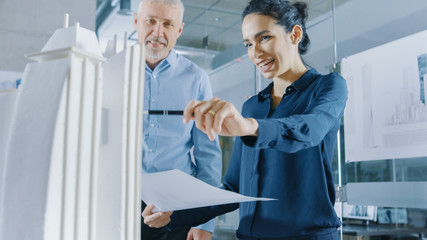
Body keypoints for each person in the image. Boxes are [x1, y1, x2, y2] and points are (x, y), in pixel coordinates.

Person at [142, 0, 348, 239]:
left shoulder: (328, 87)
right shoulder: (252, 106)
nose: (255, 53)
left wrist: (250, 126)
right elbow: (233, 189)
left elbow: (308, 130)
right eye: (249, 44)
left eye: (264, 38)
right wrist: (174, 215)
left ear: (295, 34)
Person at [133, 0, 222, 239]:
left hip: (177, 209)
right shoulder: (111, 71)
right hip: (120, 204)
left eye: (167, 24)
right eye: (150, 20)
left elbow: (208, 155)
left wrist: (205, 222)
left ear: (179, 30)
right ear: (136, 22)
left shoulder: (197, 78)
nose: (157, 32)